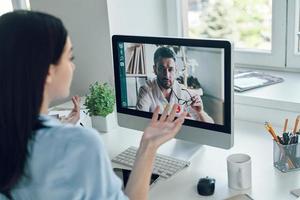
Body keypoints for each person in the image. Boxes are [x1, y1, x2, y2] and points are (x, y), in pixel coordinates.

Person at [0, 10, 187, 200]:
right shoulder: (79, 144)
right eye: (69, 58)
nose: (72, 67)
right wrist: (149, 146)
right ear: (48, 72)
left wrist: (60, 129)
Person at [136, 46, 214, 123]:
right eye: (162, 69)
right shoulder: (146, 90)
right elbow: (139, 122)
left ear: (176, 70)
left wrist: (200, 112)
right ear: (155, 70)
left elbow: (211, 125)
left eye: (170, 69)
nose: (167, 75)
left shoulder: (183, 91)